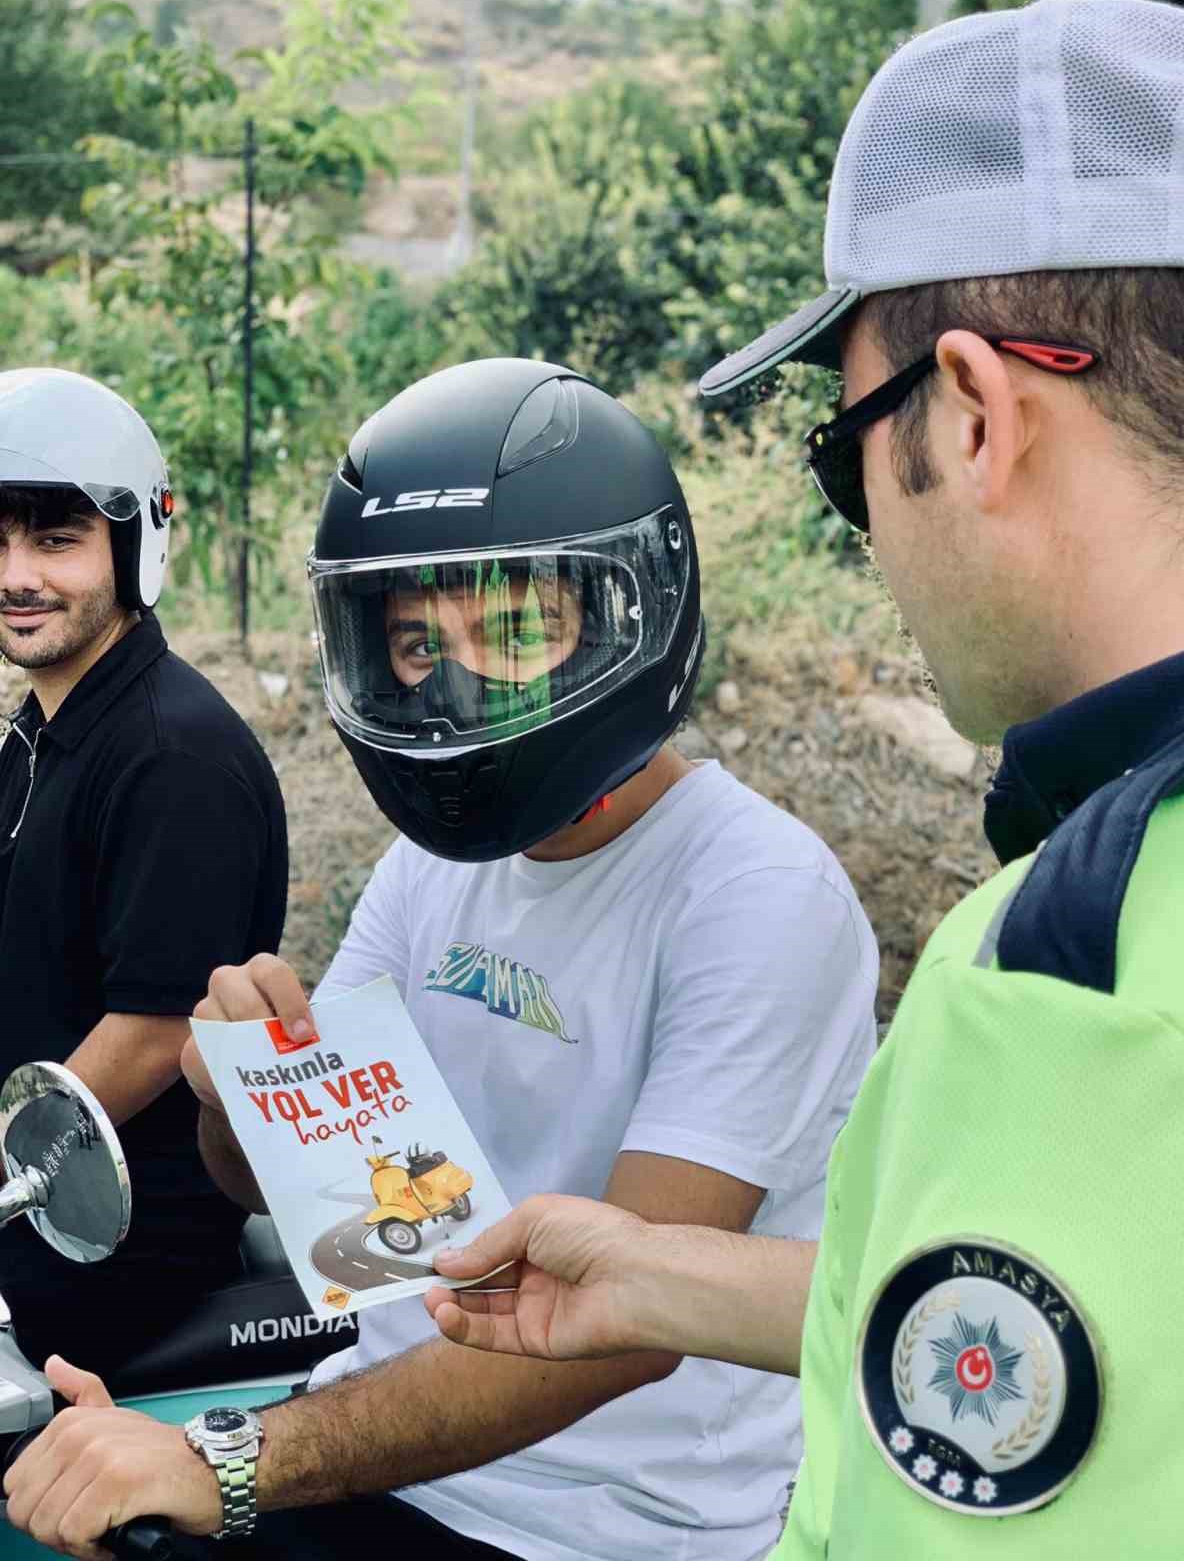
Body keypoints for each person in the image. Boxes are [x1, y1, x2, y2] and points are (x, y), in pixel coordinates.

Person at [409, 0, 1184, 1561]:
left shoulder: (1083, 960)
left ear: (973, 414)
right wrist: (655, 1278)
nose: (872, 533)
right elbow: (1067, 1354)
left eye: (846, 456)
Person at [2, 358, 878, 1560]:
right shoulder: (438, 866)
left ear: (626, 613)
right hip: (379, 1450)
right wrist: (237, 1101)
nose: (459, 679)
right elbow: (328, 1206)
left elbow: (619, 1330)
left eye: (516, 626)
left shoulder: (756, 893)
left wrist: (235, 1459)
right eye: (417, 642)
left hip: (598, 1522)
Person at [0, 368, 288, 1377]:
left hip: (104, 1242)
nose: (17, 573)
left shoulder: (173, 758)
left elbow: (159, 1030)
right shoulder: (48, 726)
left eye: (54, 539)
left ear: (135, 544)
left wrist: (5, 1168)